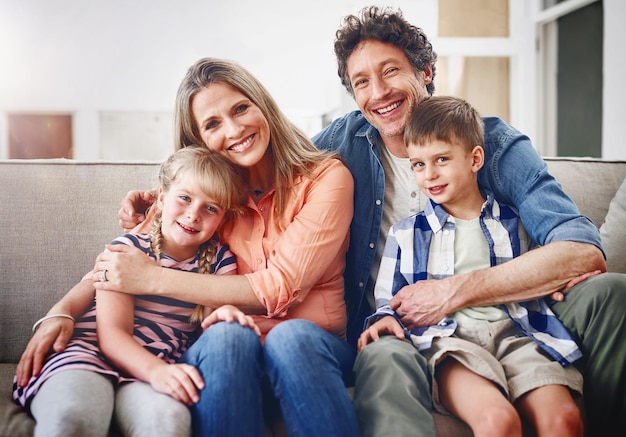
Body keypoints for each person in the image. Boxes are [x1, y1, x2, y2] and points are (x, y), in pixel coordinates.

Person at [311, 6, 625, 436]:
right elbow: (262, 179)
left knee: (612, 293)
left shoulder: (490, 142)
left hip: (510, 314)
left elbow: (581, 251)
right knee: (382, 352)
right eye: (362, 82)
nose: (378, 92)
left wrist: (452, 292)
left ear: (425, 71)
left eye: (390, 71)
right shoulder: (338, 145)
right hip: (406, 329)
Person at [16, 58, 360, 436]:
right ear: (199, 141)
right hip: (228, 351)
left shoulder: (327, 178)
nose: (234, 129)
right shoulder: (203, 198)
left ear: (263, 104)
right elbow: (121, 262)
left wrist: (152, 279)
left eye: (241, 108)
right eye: (212, 124)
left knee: (287, 336)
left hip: (309, 348)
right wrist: (62, 310)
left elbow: (279, 288)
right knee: (227, 336)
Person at [359, 96, 584, 437]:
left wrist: (561, 279)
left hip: (518, 333)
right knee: (498, 421)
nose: (430, 174)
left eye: (442, 159)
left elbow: (548, 269)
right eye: (419, 165)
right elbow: (388, 301)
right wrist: (386, 318)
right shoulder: (405, 234)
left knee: (564, 419)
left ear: (475, 158)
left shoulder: (515, 222)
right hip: (449, 343)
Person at [13, 146, 258, 437]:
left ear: (223, 217)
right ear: (162, 198)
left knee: (168, 423)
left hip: (156, 365)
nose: (193, 215)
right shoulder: (129, 249)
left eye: (211, 208)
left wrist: (226, 313)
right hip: (89, 353)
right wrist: (156, 372)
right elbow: (112, 335)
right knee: (74, 416)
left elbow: (211, 324)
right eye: (184, 198)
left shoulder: (221, 260)